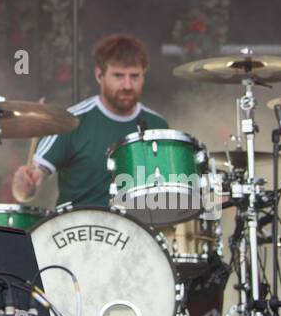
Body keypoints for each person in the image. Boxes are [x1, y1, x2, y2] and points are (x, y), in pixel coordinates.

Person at [12, 34, 167, 209]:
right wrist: (24, 186)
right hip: (76, 230)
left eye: (134, 76)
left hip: (136, 231)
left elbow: (167, 194)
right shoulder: (69, 121)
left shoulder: (158, 126)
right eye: (118, 76)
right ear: (99, 75)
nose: (127, 85)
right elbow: (31, 184)